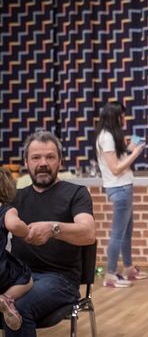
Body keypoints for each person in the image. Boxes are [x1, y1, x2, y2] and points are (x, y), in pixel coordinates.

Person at [2, 130, 96, 336]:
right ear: (26, 163)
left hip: (60, 279)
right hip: (17, 276)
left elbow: (89, 232)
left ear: (60, 162)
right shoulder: (15, 197)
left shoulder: (76, 194)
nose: (43, 163)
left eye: (50, 157)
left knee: (15, 308)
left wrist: (53, 229)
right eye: (36, 158)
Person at [94, 102, 147, 288]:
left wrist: (128, 149)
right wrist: (136, 154)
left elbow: (118, 159)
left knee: (126, 233)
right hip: (119, 189)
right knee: (118, 234)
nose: (124, 119)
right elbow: (115, 169)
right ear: (115, 116)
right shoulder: (106, 137)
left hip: (124, 187)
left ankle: (128, 268)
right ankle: (110, 275)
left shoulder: (109, 135)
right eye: (121, 116)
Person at [0, 168, 33, 331]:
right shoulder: (6, 210)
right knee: (26, 277)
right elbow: (14, 225)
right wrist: (26, 231)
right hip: (1, 272)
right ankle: (7, 299)